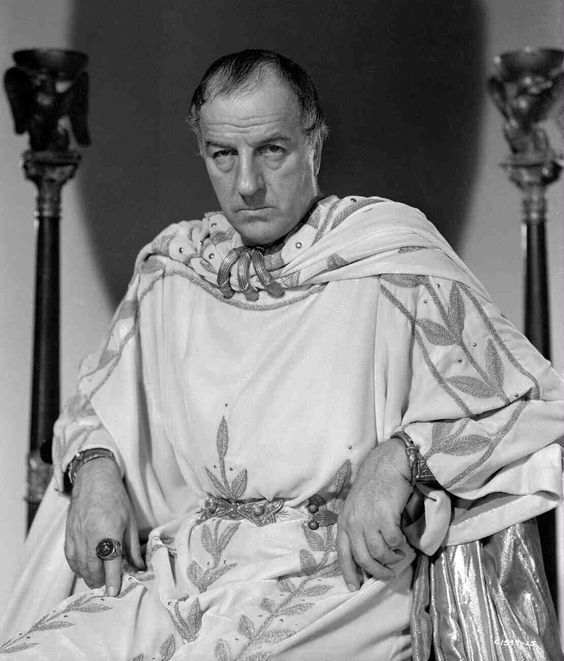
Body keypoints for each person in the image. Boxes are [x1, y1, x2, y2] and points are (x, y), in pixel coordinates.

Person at [1, 49, 562, 660]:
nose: (246, 184)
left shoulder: (389, 256)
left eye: (272, 149)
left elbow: (530, 402)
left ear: (314, 144)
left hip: (339, 581)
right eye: (223, 155)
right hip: (187, 571)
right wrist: (95, 470)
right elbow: (97, 406)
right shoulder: (175, 270)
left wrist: (402, 458)